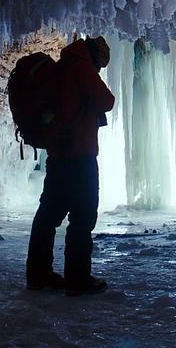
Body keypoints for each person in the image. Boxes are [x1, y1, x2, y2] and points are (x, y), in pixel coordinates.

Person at [25, 36, 115, 296]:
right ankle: (78, 278)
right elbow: (106, 101)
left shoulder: (62, 66)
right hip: (80, 156)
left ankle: (38, 274)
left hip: (58, 155)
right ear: (95, 57)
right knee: (83, 216)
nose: (99, 70)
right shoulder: (81, 66)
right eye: (100, 66)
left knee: (49, 215)